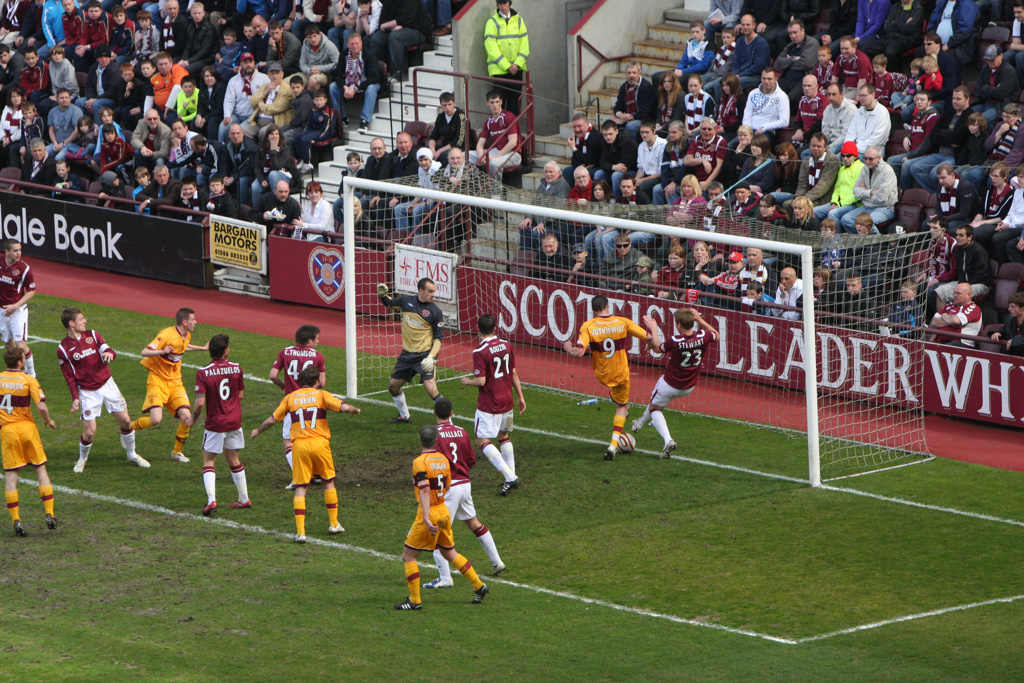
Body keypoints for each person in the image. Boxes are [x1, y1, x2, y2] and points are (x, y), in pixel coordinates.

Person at [251, 364, 361, 542]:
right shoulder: (322, 395)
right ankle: (333, 523)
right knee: (328, 482)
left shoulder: (290, 398)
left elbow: (272, 420)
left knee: (301, 488)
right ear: (317, 381)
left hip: (300, 446)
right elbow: (344, 407)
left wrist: (257, 430)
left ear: (300, 381)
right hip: (320, 444)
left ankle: (301, 533)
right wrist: (355, 410)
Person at [394, 424, 489, 611]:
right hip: (444, 510)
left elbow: (424, 490)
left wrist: (427, 519)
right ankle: (479, 585)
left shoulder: (419, 462)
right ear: (436, 440)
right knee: (449, 552)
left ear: (421, 439)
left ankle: (415, 601)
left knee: (408, 556)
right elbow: (446, 486)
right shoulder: (444, 460)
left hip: (429, 513)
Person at [423, 396, 505, 590]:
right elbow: (471, 459)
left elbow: (435, 462)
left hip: (448, 488)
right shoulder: (462, 431)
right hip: (465, 484)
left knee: (437, 531)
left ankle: (445, 577)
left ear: (434, 413)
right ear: (451, 413)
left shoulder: (435, 436)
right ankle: (497, 561)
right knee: (474, 523)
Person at [562, 295, 653, 461]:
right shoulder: (622, 321)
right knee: (621, 407)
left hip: (602, 374)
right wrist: (650, 341)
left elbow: (580, 352)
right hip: (621, 374)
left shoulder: (588, 326)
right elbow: (648, 336)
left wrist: (569, 348)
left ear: (593, 310)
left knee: (618, 399)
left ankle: (617, 401)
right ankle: (613, 444)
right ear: (608, 306)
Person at [57, 307, 144, 472]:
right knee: (90, 432)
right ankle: (82, 460)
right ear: (71, 323)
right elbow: (69, 376)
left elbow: (108, 349)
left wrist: (110, 354)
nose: (85, 321)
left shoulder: (92, 335)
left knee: (125, 421)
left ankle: (131, 454)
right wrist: (75, 398)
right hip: (88, 392)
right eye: (81, 319)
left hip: (107, 385)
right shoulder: (63, 348)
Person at [631, 307, 718, 458]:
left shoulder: (675, 341)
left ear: (678, 325)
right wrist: (700, 319)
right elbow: (716, 334)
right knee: (656, 397)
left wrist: (654, 329)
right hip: (689, 386)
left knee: (655, 409)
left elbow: (658, 349)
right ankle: (639, 423)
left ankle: (668, 440)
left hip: (671, 384)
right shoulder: (704, 336)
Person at [129, 307, 208, 463]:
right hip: (157, 381)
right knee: (155, 420)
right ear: (185, 322)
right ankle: (128, 428)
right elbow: (144, 352)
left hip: (175, 382)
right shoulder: (166, 335)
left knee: (187, 418)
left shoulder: (187, 335)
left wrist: (202, 348)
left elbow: (184, 345)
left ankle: (177, 453)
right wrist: (161, 352)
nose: (196, 322)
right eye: (193, 320)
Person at [461, 312, 526, 495]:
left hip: (490, 402)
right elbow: (513, 373)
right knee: (503, 435)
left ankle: (511, 477)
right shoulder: (507, 345)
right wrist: (520, 397)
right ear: (495, 328)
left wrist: (467, 381)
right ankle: (510, 475)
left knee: (482, 439)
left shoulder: (479, 351)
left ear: (478, 330)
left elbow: (481, 381)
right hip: (508, 399)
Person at [190, 333, 250, 516]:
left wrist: (193, 418)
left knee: (209, 461)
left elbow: (200, 402)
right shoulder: (236, 368)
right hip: (234, 421)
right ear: (225, 351)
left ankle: (211, 500)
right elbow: (240, 395)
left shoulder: (203, 372)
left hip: (216, 423)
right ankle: (243, 498)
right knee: (234, 459)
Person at [2, 342, 56, 537]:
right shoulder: (28, 380)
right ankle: (49, 514)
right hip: (27, 428)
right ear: (19, 362)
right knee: (40, 470)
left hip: (7, 430)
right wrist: (48, 421)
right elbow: (41, 407)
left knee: (11, 476)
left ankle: (16, 519)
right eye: (24, 358)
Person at [377, 277, 444, 423]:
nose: (433, 294)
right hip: (407, 355)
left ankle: (449, 424)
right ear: (421, 290)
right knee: (393, 387)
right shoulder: (406, 301)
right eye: (430, 291)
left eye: (434, 291)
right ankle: (405, 416)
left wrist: (431, 357)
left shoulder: (435, 311)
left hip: (424, 355)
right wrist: (382, 296)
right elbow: (389, 304)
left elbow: (438, 339)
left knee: (431, 389)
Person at [270, 324, 325, 489]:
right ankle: (316, 473)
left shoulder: (285, 352)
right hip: (313, 404)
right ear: (309, 340)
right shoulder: (318, 356)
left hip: (293, 402)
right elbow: (322, 383)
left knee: (289, 440)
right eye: (317, 339)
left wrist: (283, 386)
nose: (318, 342)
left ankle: (299, 476)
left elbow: (273, 375)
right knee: (311, 438)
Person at [483, 0, 527, 116]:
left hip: (516, 71)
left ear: (509, 3)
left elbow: (525, 45)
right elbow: (491, 48)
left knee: (515, 106)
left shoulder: (519, 20)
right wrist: (507, 66)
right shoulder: (492, 22)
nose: (502, 6)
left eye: (505, 3)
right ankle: (501, 133)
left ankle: (513, 133)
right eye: (500, 3)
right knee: (498, 107)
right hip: (499, 72)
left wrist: (517, 64)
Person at [369, 0, 428, 84]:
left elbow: (405, 19)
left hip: (416, 30)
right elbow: (382, 20)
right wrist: (390, 27)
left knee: (395, 37)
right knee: (376, 39)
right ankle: (379, 74)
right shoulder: (388, 2)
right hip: (393, 29)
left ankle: (396, 74)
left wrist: (385, 26)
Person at [331, 32, 379, 132]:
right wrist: (345, 87)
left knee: (372, 88)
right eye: (352, 44)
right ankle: (342, 117)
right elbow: (337, 74)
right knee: (333, 86)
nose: (355, 46)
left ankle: (364, 120)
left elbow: (374, 78)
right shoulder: (344, 54)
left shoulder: (369, 55)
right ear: (348, 44)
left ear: (361, 43)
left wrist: (356, 88)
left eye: (357, 43)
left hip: (365, 84)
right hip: (349, 84)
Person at [0, 239, 35, 376]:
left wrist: (15, 306)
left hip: (17, 310)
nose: (19, 253)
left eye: (20, 250)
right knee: (9, 345)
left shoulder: (24, 269)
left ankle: (32, 375)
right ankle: (19, 370)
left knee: (20, 344)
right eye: (15, 250)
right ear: (7, 251)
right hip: (2, 311)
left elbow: (31, 291)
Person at [468, 89, 520, 180]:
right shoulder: (489, 121)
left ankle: (495, 193)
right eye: (492, 102)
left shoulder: (508, 116)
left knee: (493, 164)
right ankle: (465, 184)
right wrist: (481, 157)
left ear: (501, 102)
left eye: (497, 102)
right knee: (464, 156)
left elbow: (513, 142)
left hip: (513, 153)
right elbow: (480, 144)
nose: (495, 105)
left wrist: (494, 157)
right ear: (487, 103)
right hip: (496, 151)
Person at [611, 61, 655, 139]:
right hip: (629, 117)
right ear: (625, 74)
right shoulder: (624, 87)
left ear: (639, 73)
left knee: (630, 126)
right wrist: (621, 115)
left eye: (634, 73)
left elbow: (645, 112)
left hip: (645, 119)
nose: (631, 75)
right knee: (610, 123)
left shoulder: (646, 87)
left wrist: (626, 120)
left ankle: (633, 148)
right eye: (629, 73)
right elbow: (618, 106)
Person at [929, 282, 982, 347]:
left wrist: (944, 316)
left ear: (968, 295)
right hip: (941, 341)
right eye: (954, 293)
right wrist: (952, 321)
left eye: (958, 293)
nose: (954, 295)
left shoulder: (974, 308)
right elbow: (934, 322)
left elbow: (956, 321)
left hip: (961, 344)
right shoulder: (950, 305)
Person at [428, 91, 465, 165]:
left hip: (459, 147)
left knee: (444, 156)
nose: (447, 107)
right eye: (444, 105)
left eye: (449, 104)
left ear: (454, 103)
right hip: (446, 146)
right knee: (425, 152)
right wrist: (432, 151)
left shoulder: (461, 116)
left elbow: (458, 141)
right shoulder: (441, 117)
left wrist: (439, 151)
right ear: (441, 105)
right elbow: (433, 136)